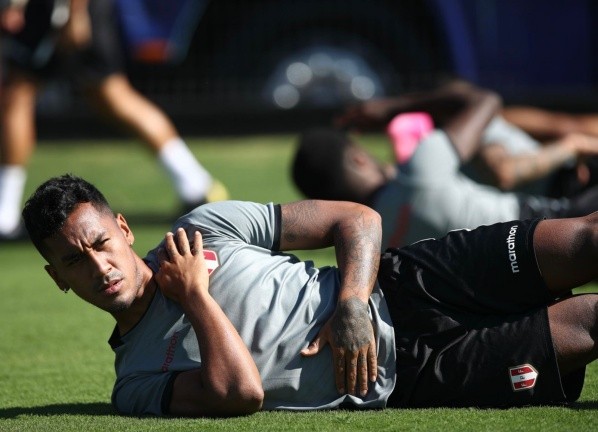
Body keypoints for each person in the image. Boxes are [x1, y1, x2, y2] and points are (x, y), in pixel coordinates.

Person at [22, 173, 598, 417]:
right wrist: (195, 297)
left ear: (123, 229)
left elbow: (357, 219)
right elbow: (240, 394)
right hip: (413, 374)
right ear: (58, 279)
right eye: (73, 261)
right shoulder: (134, 385)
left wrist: (351, 304)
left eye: (100, 243)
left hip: (406, 279)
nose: (98, 267)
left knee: (585, 240)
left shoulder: (205, 227)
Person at [0, 0, 227, 241]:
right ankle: (195, 184)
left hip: (63, 9)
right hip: (69, 10)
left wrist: (75, 13)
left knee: (17, 96)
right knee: (107, 96)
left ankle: (4, 215)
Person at [292, 81, 598, 249]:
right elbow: (484, 100)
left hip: (514, 276)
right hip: (550, 227)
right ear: (358, 159)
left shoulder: (372, 248)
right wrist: (393, 107)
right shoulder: (417, 172)